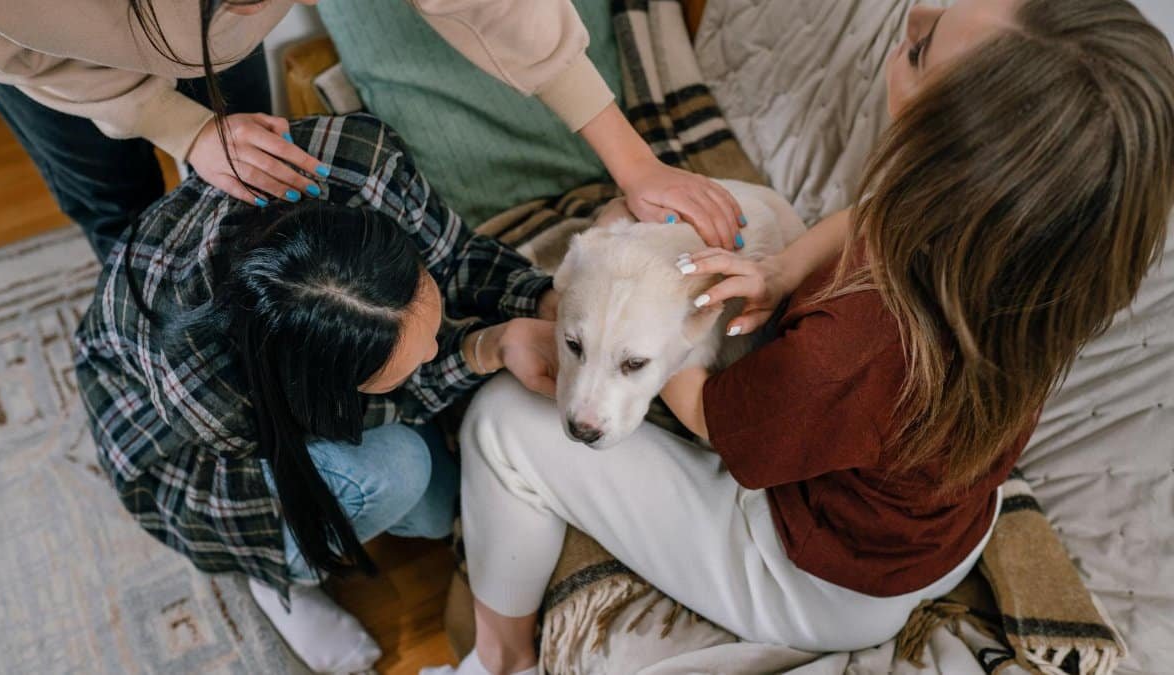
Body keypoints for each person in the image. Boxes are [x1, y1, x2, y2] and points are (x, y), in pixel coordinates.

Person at [440, 1, 1174, 673]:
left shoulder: (844, 352)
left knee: (501, 423)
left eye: (920, 49)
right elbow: (874, 210)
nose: (912, 16)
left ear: (963, 154)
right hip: (947, 532)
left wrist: (647, 327)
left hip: (821, 577)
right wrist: (782, 267)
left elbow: (723, 428)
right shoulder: (1031, 257)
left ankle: (501, 655)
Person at [74, 113, 563, 674]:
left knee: (437, 509)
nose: (434, 349)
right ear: (323, 385)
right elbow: (357, 414)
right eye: (413, 356)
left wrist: (543, 298)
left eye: (426, 324)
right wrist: (483, 348)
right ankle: (277, 574)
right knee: (406, 475)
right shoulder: (203, 387)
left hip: (272, 376)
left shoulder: (361, 159)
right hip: (184, 452)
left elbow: (454, 255)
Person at [0, 0, 743, 261]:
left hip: (209, 46)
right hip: (47, 63)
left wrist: (633, 161)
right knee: (122, 214)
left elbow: (499, 7)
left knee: (245, 187)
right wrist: (174, 124)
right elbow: (13, 47)